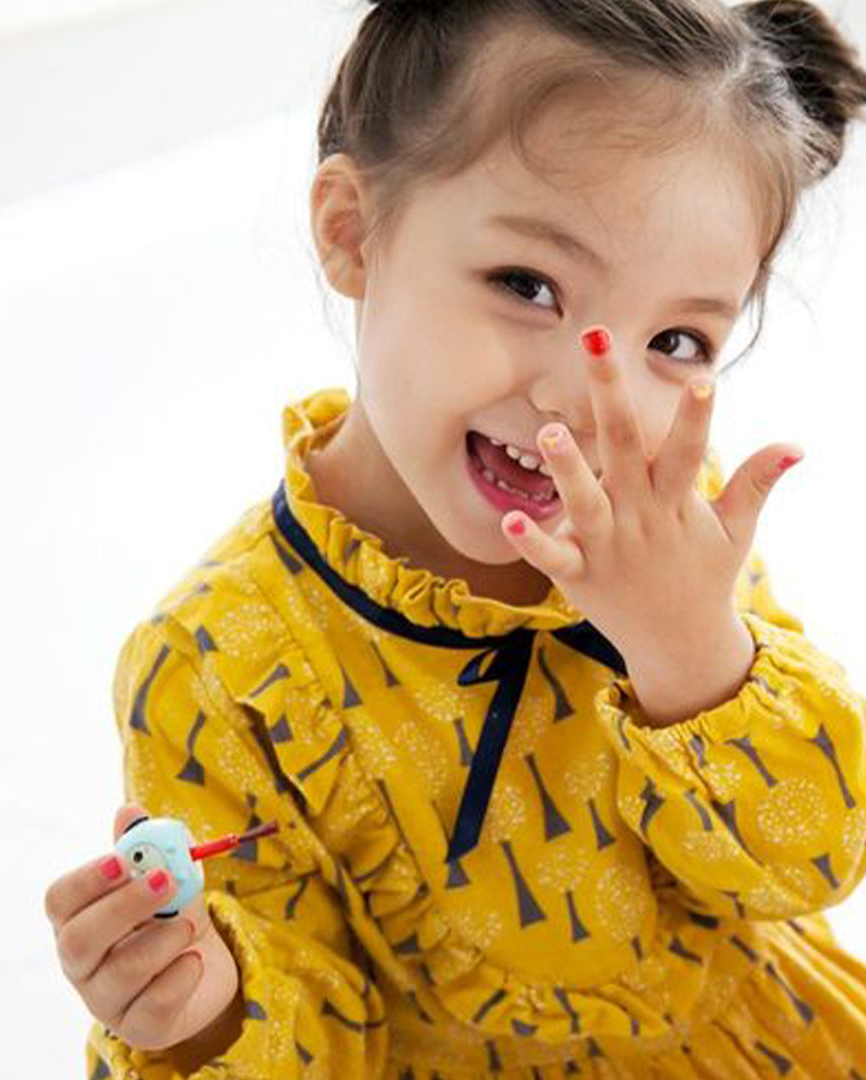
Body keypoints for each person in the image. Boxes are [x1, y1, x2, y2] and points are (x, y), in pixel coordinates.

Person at [45, 1, 866, 1075]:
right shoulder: (217, 666)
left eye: (674, 339)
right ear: (352, 230)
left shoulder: (666, 529)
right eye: (528, 287)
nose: (583, 395)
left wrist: (692, 656)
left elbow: (804, 866)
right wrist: (195, 1009)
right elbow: (312, 1027)